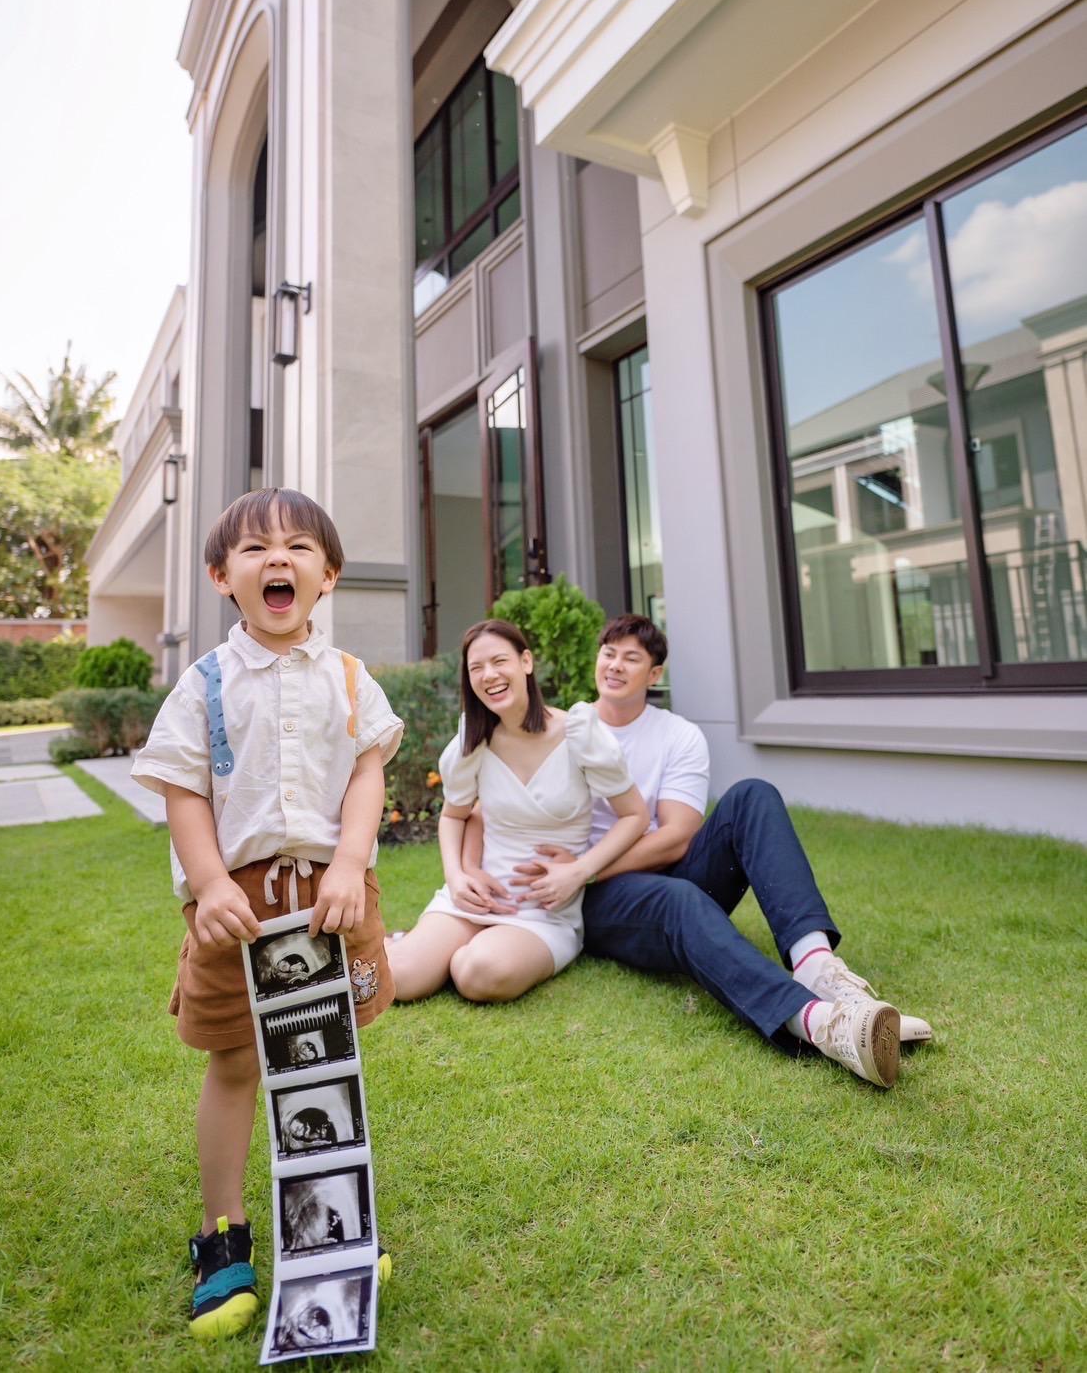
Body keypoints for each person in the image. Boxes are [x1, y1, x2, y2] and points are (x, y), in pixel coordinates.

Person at [131, 487, 403, 1340]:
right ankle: (223, 1233)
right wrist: (209, 883)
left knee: (323, 1056)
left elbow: (365, 774)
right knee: (237, 1060)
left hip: (330, 894)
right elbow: (183, 788)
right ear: (222, 576)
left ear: (328, 575)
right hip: (236, 906)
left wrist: (350, 862)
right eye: (254, 548)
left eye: (296, 546)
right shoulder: (203, 683)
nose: (276, 558)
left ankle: (329, 1217)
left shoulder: (349, 678)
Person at [486, 614, 933, 1090]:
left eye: (631, 658)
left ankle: (817, 967)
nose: (614, 666)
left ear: (654, 674)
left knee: (752, 795)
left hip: (614, 870)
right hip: (595, 898)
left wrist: (586, 867)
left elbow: (677, 837)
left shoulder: (678, 735)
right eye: (608, 654)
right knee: (679, 899)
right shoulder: (565, 728)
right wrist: (572, 874)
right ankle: (820, 1024)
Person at [387, 619, 649, 1004]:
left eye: (499, 661)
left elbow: (635, 816)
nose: (489, 675)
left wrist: (579, 871)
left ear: (526, 662)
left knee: (478, 973)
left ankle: (460, 951)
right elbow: (455, 816)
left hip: (542, 911)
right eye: (476, 668)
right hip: (474, 898)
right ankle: (424, 947)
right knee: (400, 979)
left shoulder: (579, 733)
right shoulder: (473, 742)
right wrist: (458, 876)